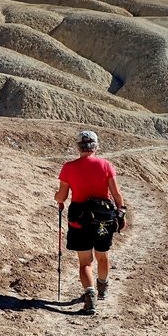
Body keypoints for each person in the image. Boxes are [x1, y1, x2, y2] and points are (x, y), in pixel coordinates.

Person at [54, 130, 126, 315]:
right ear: (96, 146)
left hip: (80, 220)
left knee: (85, 263)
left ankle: (90, 295)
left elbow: (62, 196)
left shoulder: (68, 167)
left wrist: (58, 198)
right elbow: (116, 194)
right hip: (103, 219)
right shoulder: (106, 165)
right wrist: (121, 212)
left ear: (78, 146)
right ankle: (102, 285)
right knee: (102, 255)